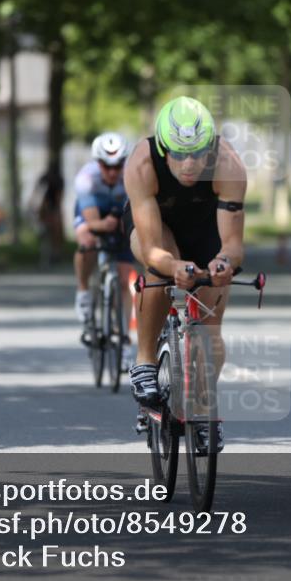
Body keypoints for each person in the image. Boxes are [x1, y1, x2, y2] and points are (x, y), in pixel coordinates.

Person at [122, 96, 246, 453]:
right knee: (159, 271)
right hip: (155, 229)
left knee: (210, 324)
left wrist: (223, 264)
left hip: (206, 229)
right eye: (178, 154)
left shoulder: (229, 165)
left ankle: (204, 410)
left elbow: (234, 245)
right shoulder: (142, 164)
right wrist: (174, 267)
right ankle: (146, 361)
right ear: (164, 149)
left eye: (198, 154)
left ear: (211, 149)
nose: (189, 164)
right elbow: (151, 251)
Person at [73, 132, 134, 343]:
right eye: (107, 166)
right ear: (97, 163)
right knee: (87, 241)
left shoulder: (132, 176)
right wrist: (104, 225)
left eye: (118, 166)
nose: (112, 171)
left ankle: (123, 334)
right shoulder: (86, 179)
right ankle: (83, 290)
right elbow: (92, 222)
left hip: (120, 214)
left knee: (125, 279)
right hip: (93, 213)